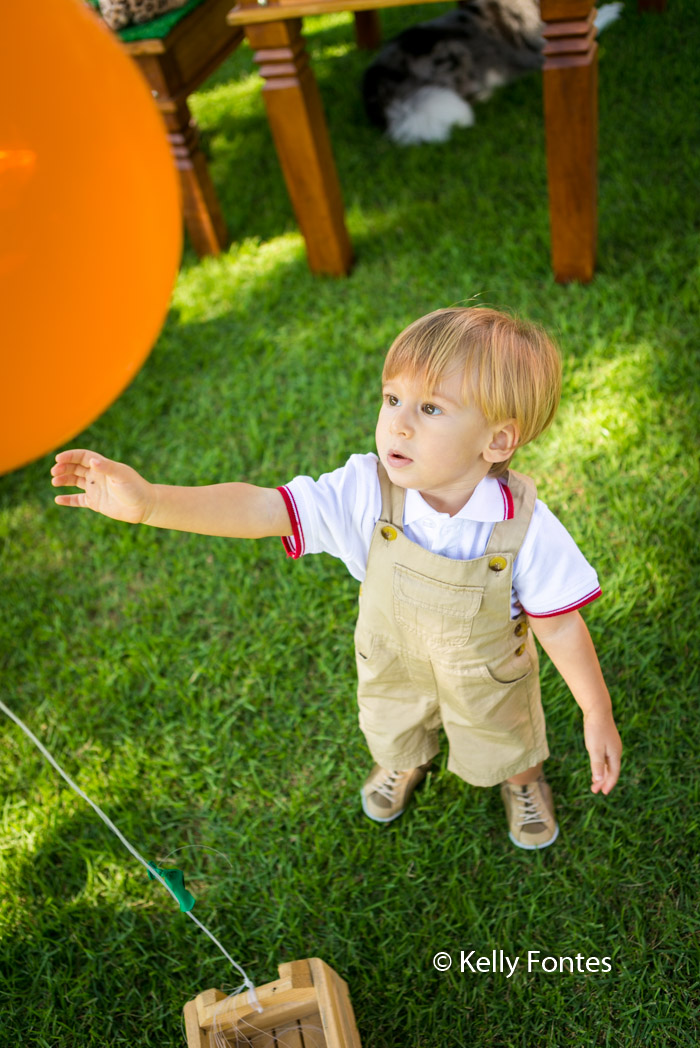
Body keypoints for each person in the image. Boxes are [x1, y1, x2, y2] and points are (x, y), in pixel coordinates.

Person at [51, 307, 621, 849]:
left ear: (497, 440)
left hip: (486, 670)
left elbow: (560, 627)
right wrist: (152, 503)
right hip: (394, 659)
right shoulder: (365, 491)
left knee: (506, 733)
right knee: (393, 722)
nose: (397, 422)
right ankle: (401, 761)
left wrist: (597, 712)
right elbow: (262, 509)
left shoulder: (525, 527)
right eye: (393, 398)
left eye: (430, 409)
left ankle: (523, 783)